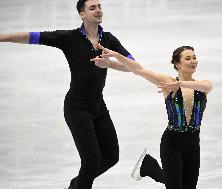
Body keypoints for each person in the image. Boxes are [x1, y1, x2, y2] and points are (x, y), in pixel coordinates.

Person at [0, 0, 135, 188]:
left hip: (98, 106)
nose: (98, 10)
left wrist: (110, 63)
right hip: (77, 108)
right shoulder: (69, 38)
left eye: (99, 6)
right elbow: (33, 36)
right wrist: (2, 37)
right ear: (82, 14)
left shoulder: (109, 39)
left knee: (112, 157)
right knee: (91, 162)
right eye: (92, 8)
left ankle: (75, 185)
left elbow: (133, 65)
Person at [92, 44, 213, 189]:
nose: (193, 61)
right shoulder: (167, 82)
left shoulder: (202, 85)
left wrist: (180, 84)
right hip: (172, 143)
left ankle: (148, 166)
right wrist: (116, 57)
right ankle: (149, 166)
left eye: (194, 57)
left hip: (193, 144)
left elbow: (207, 87)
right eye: (188, 58)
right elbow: (140, 70)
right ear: (177, 64)